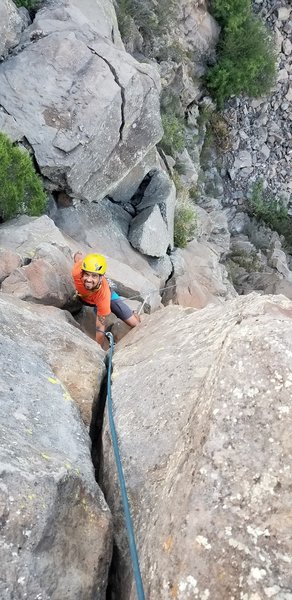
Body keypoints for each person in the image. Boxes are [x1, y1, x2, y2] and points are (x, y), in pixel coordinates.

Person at [72, 252, 140, 347]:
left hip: (105, 296)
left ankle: (133, 313)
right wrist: (77, 253)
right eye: (86, 274)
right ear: (82, 272)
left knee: (135, 324)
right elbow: (78, 258)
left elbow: (100, 327)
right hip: (85, 298)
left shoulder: (104, 296)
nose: (89, 279)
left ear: (101, 277)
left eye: (94, 276)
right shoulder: (77, 272)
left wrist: (98, 349)